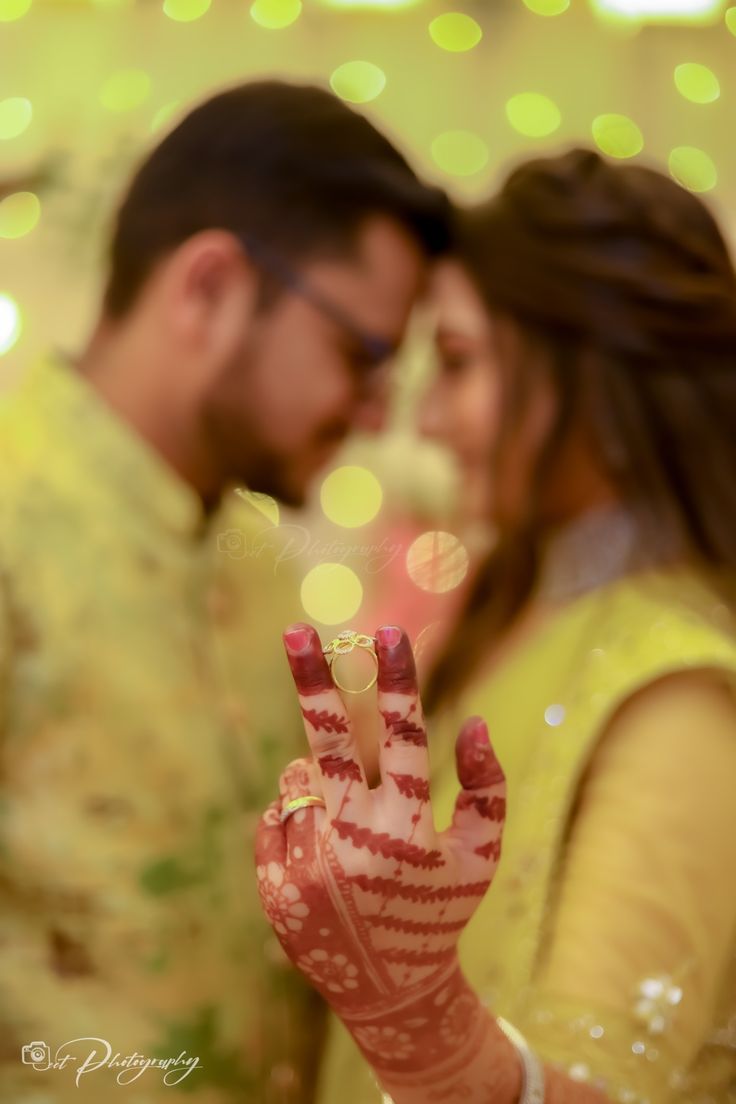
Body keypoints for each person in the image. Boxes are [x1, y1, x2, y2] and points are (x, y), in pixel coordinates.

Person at [0, 79, 450, 1103]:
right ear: (208, 288)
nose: (376, 417)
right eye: (359, 355)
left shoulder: (253, 562)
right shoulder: (13, 538)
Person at [255, 148, 736, 1104]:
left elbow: (606, 1085)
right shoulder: (521, 605)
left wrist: (418, 1023)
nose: (426, 422)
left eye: (462, 365)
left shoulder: (680, 697)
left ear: (591, 371)